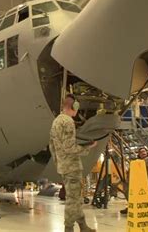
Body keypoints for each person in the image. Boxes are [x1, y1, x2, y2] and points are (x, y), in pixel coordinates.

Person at [49, 94, 97, 232]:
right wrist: (88, 147)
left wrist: (59, 162)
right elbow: (69, 147)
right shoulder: (68, 121)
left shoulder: (56, 121)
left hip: (64, 167)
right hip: (72, 167)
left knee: (76, 198)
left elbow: (52, 146)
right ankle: (68, 228)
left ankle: (83, 226)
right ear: (74, 107)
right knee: (72, 200)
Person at [120, 147, 148, 214]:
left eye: (144, 151)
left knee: (128, 189)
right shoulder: (144, 161)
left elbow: (134, 170)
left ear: (147, 152)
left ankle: (132, 206)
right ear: (139, 155)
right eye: (141, 152)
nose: (143, 153)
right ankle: (132, 206)